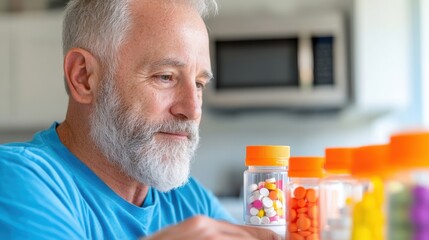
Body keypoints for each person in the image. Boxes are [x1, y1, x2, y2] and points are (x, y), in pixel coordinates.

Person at [0, 0, 281, 239]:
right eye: (166, 77)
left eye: (198, 84)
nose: (192, 109)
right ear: (83, 78)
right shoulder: (18, 179)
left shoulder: (189, 201)